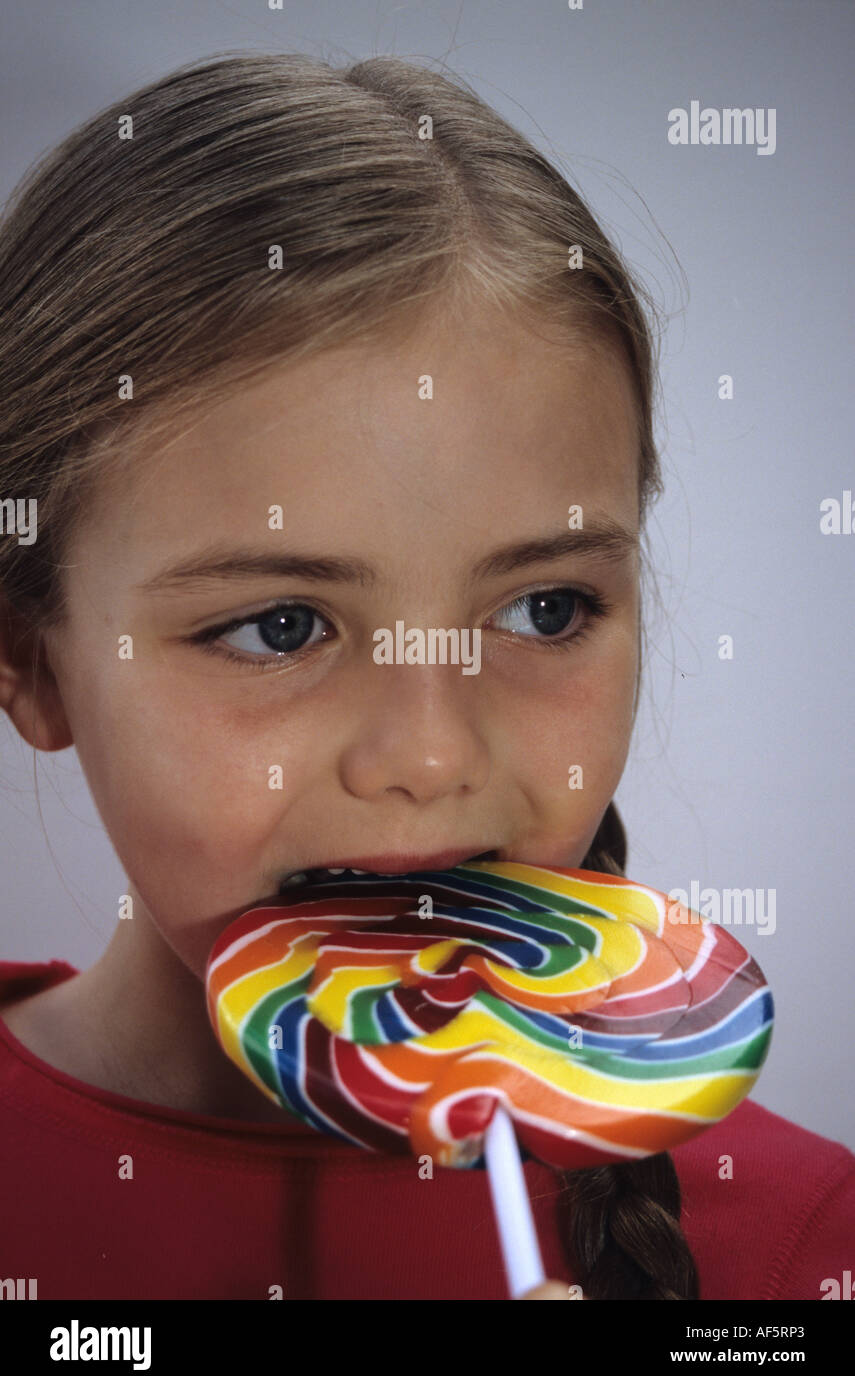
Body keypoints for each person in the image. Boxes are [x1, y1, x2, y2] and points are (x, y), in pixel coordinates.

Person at [0, 51, 851, 1302]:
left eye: (541, 607)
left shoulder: (793, 1250)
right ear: (32, 659)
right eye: (282, 626)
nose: (433, 755)